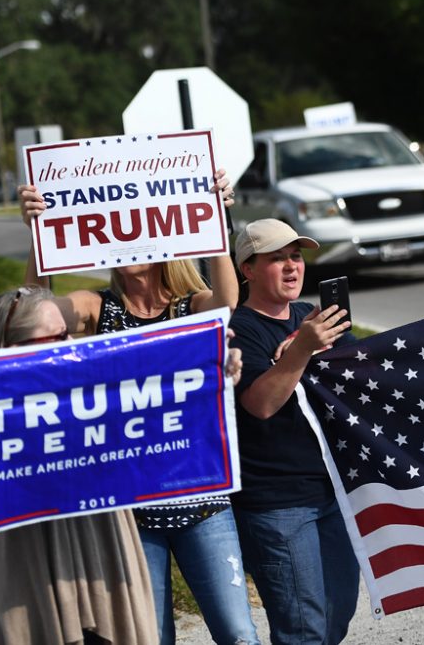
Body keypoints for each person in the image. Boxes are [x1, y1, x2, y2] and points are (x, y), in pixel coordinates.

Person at [18, 171, 260, 645]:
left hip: (200, 498)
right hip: (129, 509)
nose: (127, 239)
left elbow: (228, 302)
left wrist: (213, 219)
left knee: (238, 633)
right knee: (148, 638)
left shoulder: (190, 306)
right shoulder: (96, 306)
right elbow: (36, 315)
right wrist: (39, 236)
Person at [0, 286, 159, 644]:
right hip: (21, 586)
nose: (70, 342)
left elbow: (161, 412)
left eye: (69, 332)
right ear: (13, 348)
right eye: (57, 335)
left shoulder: (93, 383)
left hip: (100, 565)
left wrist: (212, 377)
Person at [227, 218, 360, 645]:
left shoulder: (310, 316)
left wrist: (315, 344)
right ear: (247, 269)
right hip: (278, 502)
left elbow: (358, 384)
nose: (291, 267)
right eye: (276, 259)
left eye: (296, 257)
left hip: (332, 492)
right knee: (303, 631)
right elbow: (260, 404)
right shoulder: (236, 328)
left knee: (336, 619)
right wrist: (300, 350)